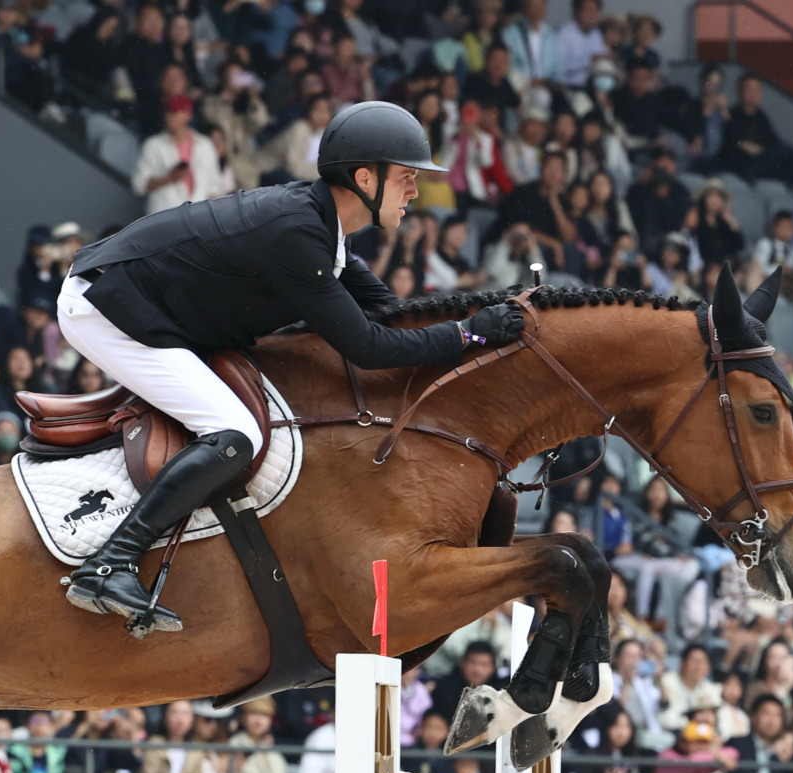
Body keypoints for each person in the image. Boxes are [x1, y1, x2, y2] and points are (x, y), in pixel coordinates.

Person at [56, 102, 522, 632]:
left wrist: (492, 312)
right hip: (107, 307)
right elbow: (369, 348)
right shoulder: (297, 236)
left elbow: (393, 315)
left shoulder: (324, 228)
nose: (416, 191)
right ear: (364, 178)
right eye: (408, 178)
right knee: (234, 434)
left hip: (145, 298)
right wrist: (472, 332)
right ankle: (109, 563)